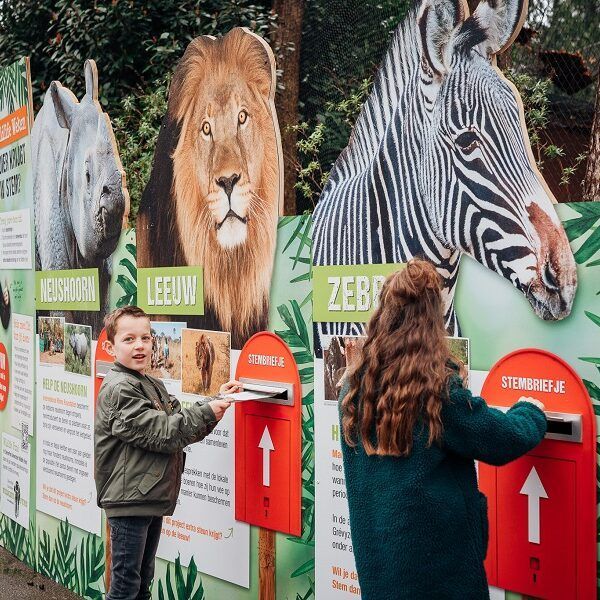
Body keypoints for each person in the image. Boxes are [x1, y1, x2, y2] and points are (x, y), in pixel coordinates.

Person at [339, 258, 547, 600]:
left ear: (383, 314)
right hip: (441, 575)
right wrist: (531, 411)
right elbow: (500, 439)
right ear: (432, 319)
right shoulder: (437, 391)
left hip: (381, 574)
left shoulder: (354, 388)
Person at [94, 305, 239, 600]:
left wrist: (216, 402)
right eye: (129, 339)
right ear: (110, 347)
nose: (140, 346)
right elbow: (164, 433)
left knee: (140, 584)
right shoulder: (121, 389)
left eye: (145, 338)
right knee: (124, 588)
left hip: (146, 498)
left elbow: (178, 421)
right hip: (129, 503)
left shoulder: (149, 383)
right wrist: (209, 411)